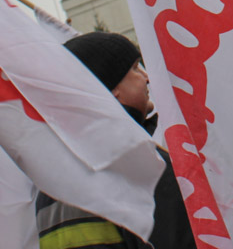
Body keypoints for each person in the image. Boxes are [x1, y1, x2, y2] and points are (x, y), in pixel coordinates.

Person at [36, 32, 195, 249]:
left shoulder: (49, 185)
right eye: (135, 68)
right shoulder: (138, 162)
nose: (146, 77)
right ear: (112, 90)